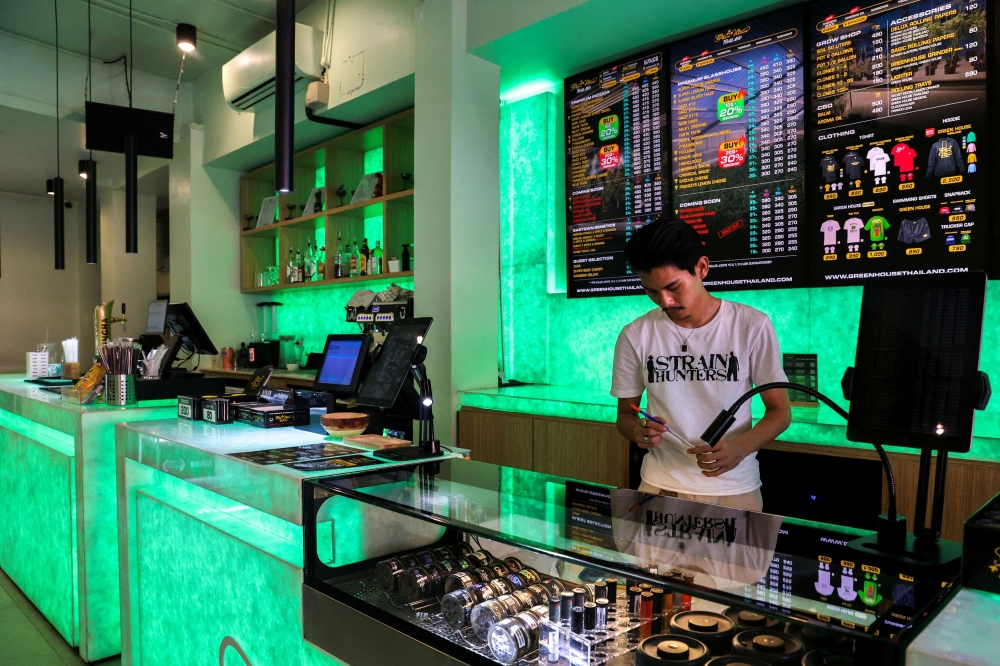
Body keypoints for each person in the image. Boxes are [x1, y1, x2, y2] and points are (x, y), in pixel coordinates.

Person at [611, 217, 791, 511]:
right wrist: (638, 431)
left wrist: (741, 447)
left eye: (673, 287)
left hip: (735, 490)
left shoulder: (751, 325)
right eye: (652, 291)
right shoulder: (635, 335)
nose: (665, 301)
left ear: (702, 268)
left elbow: (780, 412)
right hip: (659, 487)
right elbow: (624, 415)